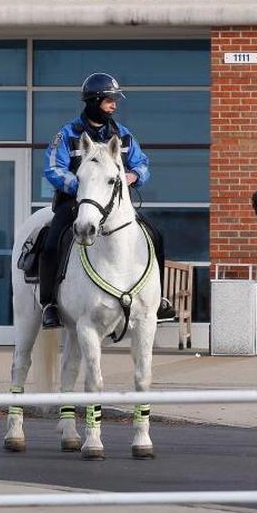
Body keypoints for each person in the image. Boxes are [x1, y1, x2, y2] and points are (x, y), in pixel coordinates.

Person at [38, 72, 177, 329]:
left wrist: (134, 176)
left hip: (116, 204)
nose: (114, 105)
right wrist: (84, 186)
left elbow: (142, 164)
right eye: (109, 100)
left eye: (115, 100)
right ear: (94, 101)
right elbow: (52, 169)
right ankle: (50, 304)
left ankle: (159, 300)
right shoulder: (67, 134)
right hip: (77, 203)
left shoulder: (123, 135)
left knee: (156, 234)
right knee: (50, 242)